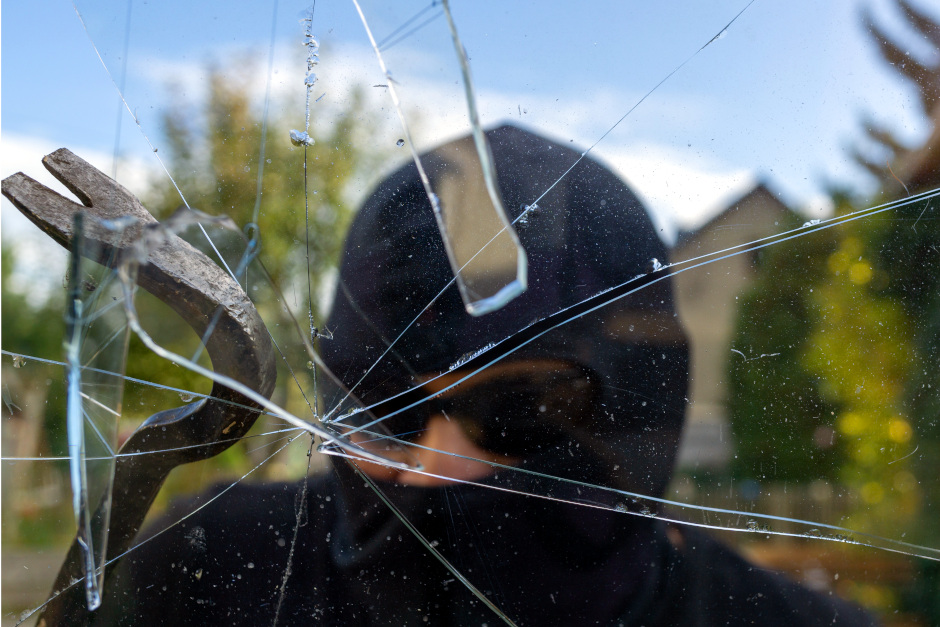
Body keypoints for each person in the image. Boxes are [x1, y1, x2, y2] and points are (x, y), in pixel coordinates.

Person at [93, 125, 876, 626]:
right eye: (383, 412)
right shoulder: (202, 572)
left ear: (642, 408)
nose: (437, 471)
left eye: (519, 409)